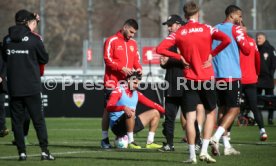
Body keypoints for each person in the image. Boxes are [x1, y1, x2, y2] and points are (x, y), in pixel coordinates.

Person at [157, 1, 231, 164]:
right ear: (198, 13)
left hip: (189, 79)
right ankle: (204, 150)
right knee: (211, 112)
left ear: (185, 16)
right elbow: (226, 40)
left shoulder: (179, 32)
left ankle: (191, 156)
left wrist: (179, 57)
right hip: (206, 78)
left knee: (189, 117)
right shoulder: (208, 28)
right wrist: (213, 53)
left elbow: (160, 49)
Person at [2, 9, 54, 161]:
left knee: (16, 122)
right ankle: (44, 152)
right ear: (27, 22)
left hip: (14, 87)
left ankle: (21, 153)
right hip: (31, 86)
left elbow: (5, 58)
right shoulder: (34, 39)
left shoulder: (6, 40)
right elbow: (44, 58)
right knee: (38, 121)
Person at [158, 14, 203, 152]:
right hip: (171, 83)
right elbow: (165, 61)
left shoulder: (187, 38)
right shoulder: (169, 40)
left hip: (186, 83)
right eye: (168, 26)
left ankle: (197, 142)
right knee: (169, 117)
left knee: (191, 116)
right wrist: (165, 62)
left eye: (171, 25)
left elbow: (188, 60)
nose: (169, 28)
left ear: (178, 24)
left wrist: (170, 60)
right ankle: (169, 144)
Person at [211, 5, 251, 156]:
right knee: (235, 109)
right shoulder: (236, 29)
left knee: (222, 109)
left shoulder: (214, 29)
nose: (241, 19)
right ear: (233, 15)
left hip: (216, 76)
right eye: (239, 16)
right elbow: (247, 49)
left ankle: (226, 146)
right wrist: (244, 34)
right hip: (231, 75)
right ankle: (215, 138)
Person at [101, 19, 142, 149]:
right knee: (108, 109)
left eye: (134, 33)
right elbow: (107, 60)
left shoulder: (133, 43)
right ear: (125, 27)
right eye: (131, 32)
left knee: (128, 110)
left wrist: (139, 68)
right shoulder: (111, 40)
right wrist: (121, 68)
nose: (132, 35)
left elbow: (136, 60)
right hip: (112, 82)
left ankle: (125, 137)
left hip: (127, 84)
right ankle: (104, 139)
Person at [106, 72, 165, 149]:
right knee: (131, 112)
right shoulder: (118, 90)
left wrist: (165, 112)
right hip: (117, 127)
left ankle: (150, 142)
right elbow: (109, 107)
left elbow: (152, 104)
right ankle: (131, 142)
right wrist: (123, 107)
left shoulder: (136, 93)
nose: (136, 86)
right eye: (134, 83)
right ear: (128, 80)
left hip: (130, 122)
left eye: (137, 83)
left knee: (155, 112)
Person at [239, 21, 268, 141]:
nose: (240, 29)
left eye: (241, 27)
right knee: (252, 106)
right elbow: (258, 60)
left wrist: (256, 74)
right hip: (247, 79)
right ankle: (262, 130)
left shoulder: (240, 42)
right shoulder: (251, 42)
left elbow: (257, 60)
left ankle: (227, 134)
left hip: (241, 79)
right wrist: (256, 74)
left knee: (233, 107)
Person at [256, 32, 276, 125]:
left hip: (268, 79)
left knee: (270, 100)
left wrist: (271, 74)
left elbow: (274, 63)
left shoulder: (270, 49)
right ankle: (257, 118)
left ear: (264, 39)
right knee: (256, 99)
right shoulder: (255, 48)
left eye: (259, 38)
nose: (258, 40)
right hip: (258, 78)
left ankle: (270, 118)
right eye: (257, 38)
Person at [0, 42, 8, 138]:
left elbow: (5, 64)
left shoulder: (2, 48)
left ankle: (2, 128)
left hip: (0, 84)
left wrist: (2, 76)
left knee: (0, 106)